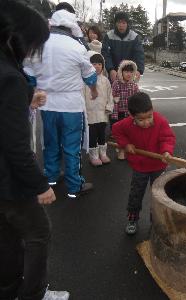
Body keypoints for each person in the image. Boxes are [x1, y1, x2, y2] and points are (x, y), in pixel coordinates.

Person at [0, 1, 69, 299]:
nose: (32, 51)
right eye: (33, 44)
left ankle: (10, 289)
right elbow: (15, 146)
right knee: (39, 232)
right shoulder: (10, 77)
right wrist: (40, 184)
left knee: (7, 235)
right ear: (16, 36)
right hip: (9, 181)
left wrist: (27, 96)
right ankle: (35, 294)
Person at [24, 9, 98, 199]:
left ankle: (52, 176)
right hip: (71, 105)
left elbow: (29, 75)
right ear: (70, 27)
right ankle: (74, 187)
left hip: (46, 103)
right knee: (72, 147)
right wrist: (94, 89)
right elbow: (90, 76)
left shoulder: (38, 45)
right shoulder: (76, 47)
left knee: (51, 143)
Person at [112, 92, 176, 235]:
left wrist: (166, 152)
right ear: (131, 115)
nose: (146, 122)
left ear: (152, 109)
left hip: (158, 166)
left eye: (149, 117)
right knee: (136, 193)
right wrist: (126, 144)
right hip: (139, 166)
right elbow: (116, 130)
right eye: (141, 120)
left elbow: (167, 138)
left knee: (159, 195)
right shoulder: (126, 124)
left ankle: (156, 221)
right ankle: (132, 219)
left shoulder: (160, 121)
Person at [84, 51, 114, 166]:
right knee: (92, 135)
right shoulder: (85, 81)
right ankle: (94, 156)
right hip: (90, 114)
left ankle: (103, 154)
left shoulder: (105, 80)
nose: (97, 66)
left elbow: (110, 95)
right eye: (94, 64)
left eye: (99, 64)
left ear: (103, 66)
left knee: (102, 134)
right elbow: (81, 96)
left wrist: (109, 107)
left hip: (103, 113)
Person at [102, 12, 144, 83]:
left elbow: (139, 54)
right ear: (115, 23)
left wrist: (139, 70)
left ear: (127, 24)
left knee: (130, 93)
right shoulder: (109, 36)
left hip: (129, 73)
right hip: (114, 73)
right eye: (119, 22)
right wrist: (110, 69)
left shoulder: (134, 37)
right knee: (113, 93)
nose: (121, 25)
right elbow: (106, 54)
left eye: (124, 23)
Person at [111, 60, 140, 160]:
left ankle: (128, 151)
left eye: (131, 72)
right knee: (120, 134)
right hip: (119, 112)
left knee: (130, 133)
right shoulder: (116, 83)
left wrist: (136, 113)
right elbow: (113, 98)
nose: (129, 74)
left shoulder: (134, 85)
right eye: (126, 71)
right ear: (121, 72)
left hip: (130, 114)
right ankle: (121, 150)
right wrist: (113, 115)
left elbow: (137, 99)